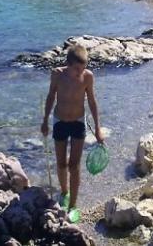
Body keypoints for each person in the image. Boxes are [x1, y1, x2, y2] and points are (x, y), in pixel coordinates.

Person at [41, 45, 104, 213]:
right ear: (68, 64)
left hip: (78, 122)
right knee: (61, 163)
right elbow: (50, 96)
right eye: (77, 68)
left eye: (83, 68)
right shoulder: (57, 75)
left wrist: (97, 128)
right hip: (60, 121)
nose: (80, 72)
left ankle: (73, 205)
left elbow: (92, 101)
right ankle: (64, 192)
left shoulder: (88, 77)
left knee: (74, 165)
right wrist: (45, 121)